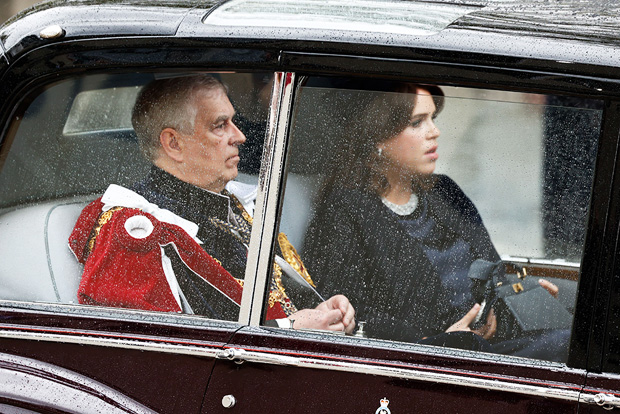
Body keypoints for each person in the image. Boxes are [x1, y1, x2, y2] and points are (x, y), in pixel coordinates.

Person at [68, 74, 355, 333]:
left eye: (233, 121)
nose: (239, 136)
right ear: (174, 144)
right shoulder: (135, 231)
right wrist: (290, 328)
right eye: (220, 126)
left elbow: (280, 299)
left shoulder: (234, 206)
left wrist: (322, 314)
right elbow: (156, 349)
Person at [303, 81, 565, 358]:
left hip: (483, 346)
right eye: (417, 123)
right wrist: (437, 340)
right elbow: (344, 307)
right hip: (420, 358)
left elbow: (491, 271)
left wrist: (513, 299)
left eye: (433, 119)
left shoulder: (445, 191)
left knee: (571, 340)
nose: (435, 132)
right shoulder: (345, 208)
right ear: (378, 135)